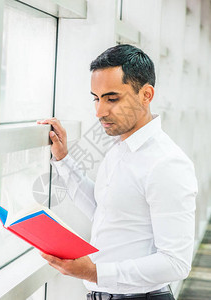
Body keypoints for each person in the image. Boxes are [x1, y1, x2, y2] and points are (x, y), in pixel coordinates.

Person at [37, 44, 198, 300]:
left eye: (112, 99)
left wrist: (94, 273)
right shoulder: (119, 148)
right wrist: (63, 158)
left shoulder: (167, 164)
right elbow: (106, 210)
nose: (99, 111)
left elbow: (176, 263)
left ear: (146, 95)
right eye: (96, 98)